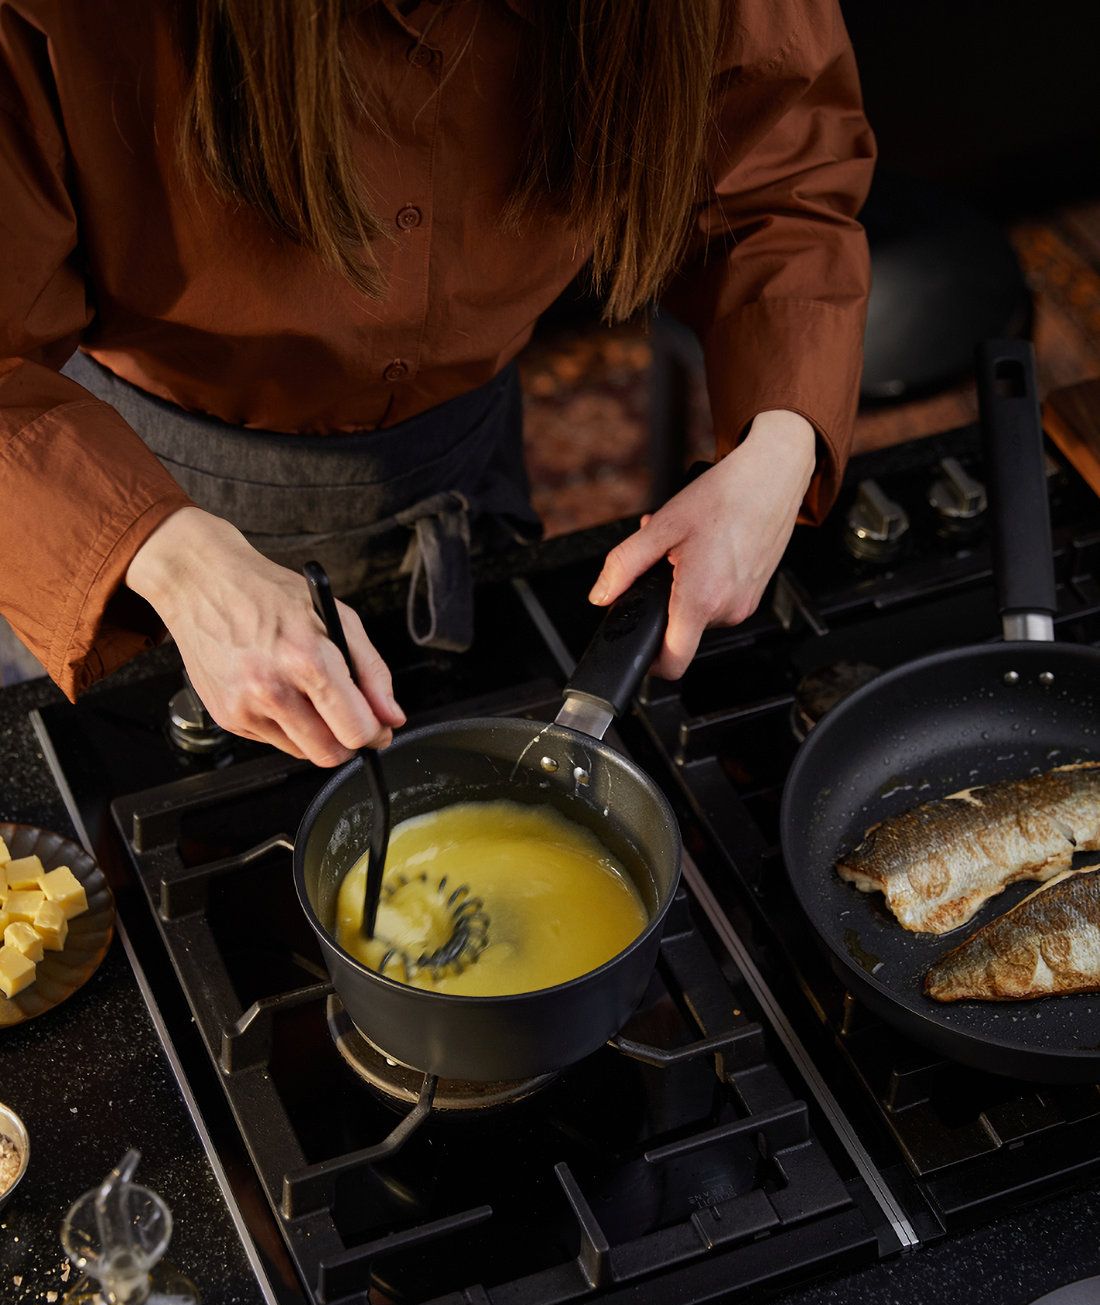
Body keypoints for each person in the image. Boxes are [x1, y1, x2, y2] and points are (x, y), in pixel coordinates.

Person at [0, 0, 874, 765]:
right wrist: (181, 566)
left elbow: (781, 176)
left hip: (466, 460)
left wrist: (780, 445)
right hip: (106, 511)